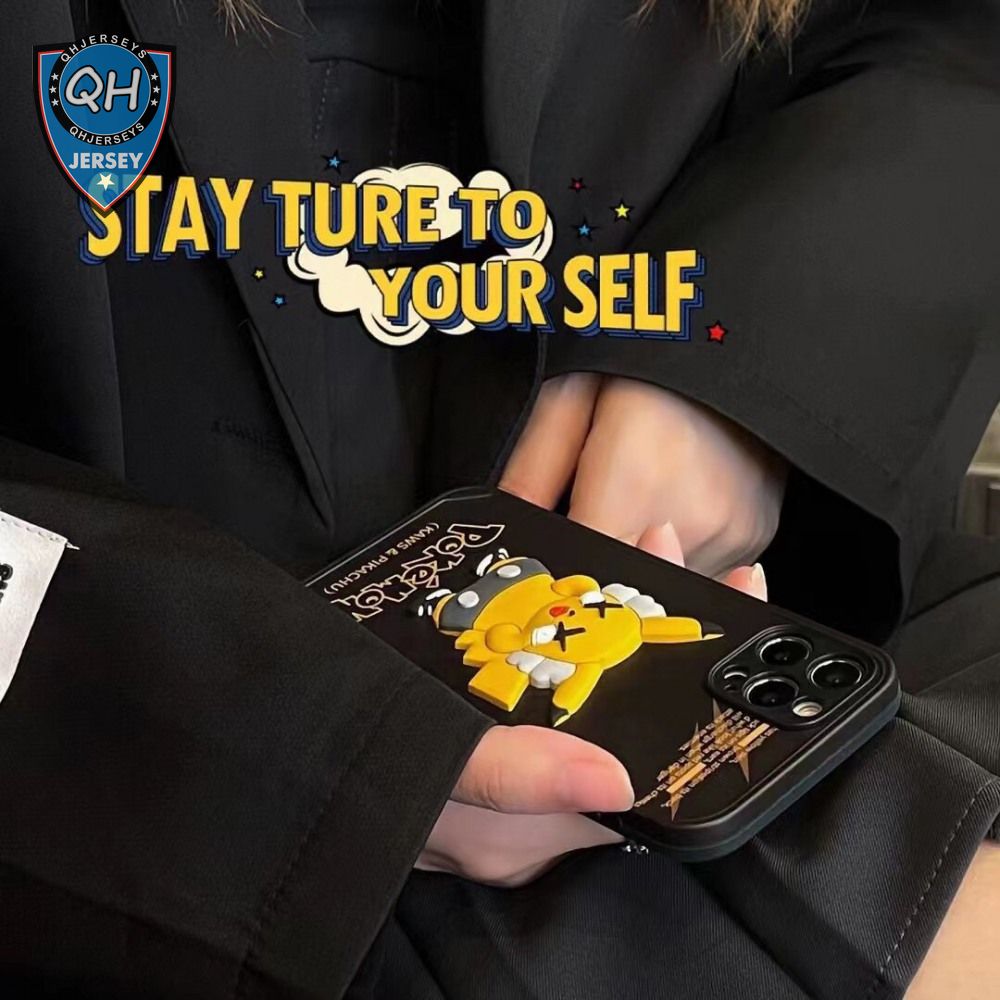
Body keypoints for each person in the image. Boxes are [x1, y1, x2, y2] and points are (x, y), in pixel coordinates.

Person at [2, 0, 999, 996]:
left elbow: (944, 44)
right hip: (135, 782)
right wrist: (313, 751)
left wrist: (741, 376)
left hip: (757, 614)